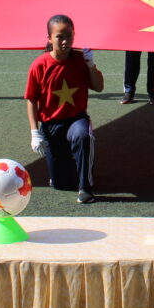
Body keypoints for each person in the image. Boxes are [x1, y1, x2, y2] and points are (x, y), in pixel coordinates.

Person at [25, 14, 103, 203]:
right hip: (51, 126)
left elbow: (99, 86)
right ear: (49, 38)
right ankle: (68, 167)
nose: (65, 41)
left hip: (76, 119)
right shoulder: (39, 65)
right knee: (61, 183)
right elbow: (31, 100)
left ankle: (85, 188)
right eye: (60, 37)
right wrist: (34, 132)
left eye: (69, 36)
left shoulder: (81, 60)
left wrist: (91, 66)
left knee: (84, 136)